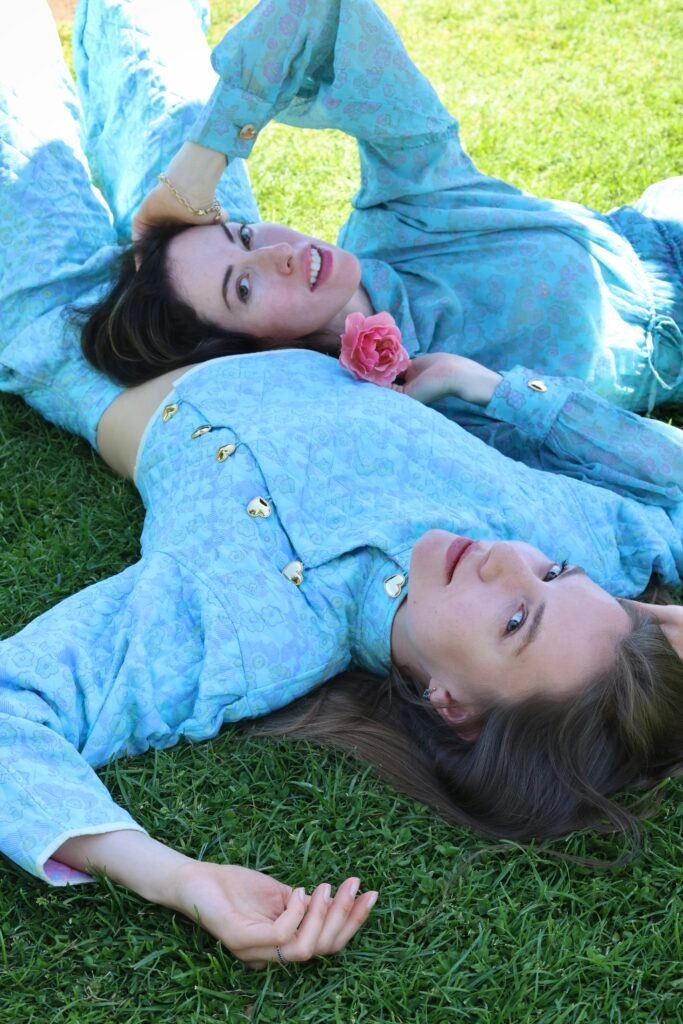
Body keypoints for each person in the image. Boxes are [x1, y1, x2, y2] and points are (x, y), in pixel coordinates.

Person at [1, 0, 682, 970]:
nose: (503, 564)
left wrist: (175, 873)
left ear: (449, 703)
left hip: (82, 349)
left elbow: (12, 704)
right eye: (551, 573)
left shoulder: (249, 633)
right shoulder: (554, 526)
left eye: (514, 621)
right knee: (145, 41)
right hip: (235, 295)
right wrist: (638, 616)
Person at [76, 0, 683, 426]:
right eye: (244, 283)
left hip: (658, 228)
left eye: (243, 233)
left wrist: (194, 172)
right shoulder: (398, 411)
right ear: (251, 352)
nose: (277, 252)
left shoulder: (407, 210)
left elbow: (322, 10)